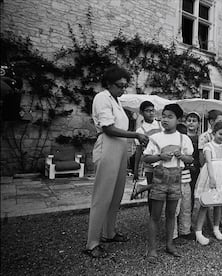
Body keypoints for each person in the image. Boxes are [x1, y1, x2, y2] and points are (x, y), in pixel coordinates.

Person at [84, 65, 149, 258]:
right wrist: (135, 134)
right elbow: (108, 128)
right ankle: (92, 243)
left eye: (124, 86)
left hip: (120, 149)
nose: (123, 89)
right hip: (108, 147)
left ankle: (108, 233)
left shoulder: (116, 101)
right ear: (109, 84)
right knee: (102, 195)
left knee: (116, 194)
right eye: (120, 86)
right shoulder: (102, 97)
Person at [143, 104, 193, 260]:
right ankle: (152, 249)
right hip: (159, 179)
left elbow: (190, 159)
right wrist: (159, 157)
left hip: (176, 180)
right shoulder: (156, 137)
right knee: (155, 215)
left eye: (170, 116)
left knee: (172, 214)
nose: (165, 119)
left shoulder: (183, 138)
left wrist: (182, 156)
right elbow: (146, 158)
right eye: (163, 116)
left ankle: (170, 244)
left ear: (178, 120)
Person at [194, 122, 222, 245]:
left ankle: (216, 228)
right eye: (220, 134)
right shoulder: (208, 146)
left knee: (219, 203)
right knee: (205, 203)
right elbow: (209, 162)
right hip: (211, 175)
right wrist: (211, 178)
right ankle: (198, 231)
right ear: (214, 133)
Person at [130, 100, 163, 201]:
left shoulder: (160, 125)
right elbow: (139, 150)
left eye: (153, 110)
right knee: (152, 192)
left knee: (162, 187)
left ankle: (142, 189)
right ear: (141, 113)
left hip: (163, 160)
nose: (151, 113)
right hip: (149, 162)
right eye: (148, 111)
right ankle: (152, 213)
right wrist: (135, 170)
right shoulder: (140, 130)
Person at [173, 123, 194, 240]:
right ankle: (173, 234)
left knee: (186, 207)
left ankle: (185, 230)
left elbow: (190, 159)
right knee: (174, 209)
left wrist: (182, 157)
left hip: (186, 180)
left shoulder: (187, 149)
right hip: (174, 182)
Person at [185, 112, 201, 211]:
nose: (191, 123)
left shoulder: (200, 138)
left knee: (191, 191)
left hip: (194, 168)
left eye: (194, 121)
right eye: (189, 120)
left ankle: (189, 215)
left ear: (198, 124)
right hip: (183, 167)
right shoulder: (182, 136)